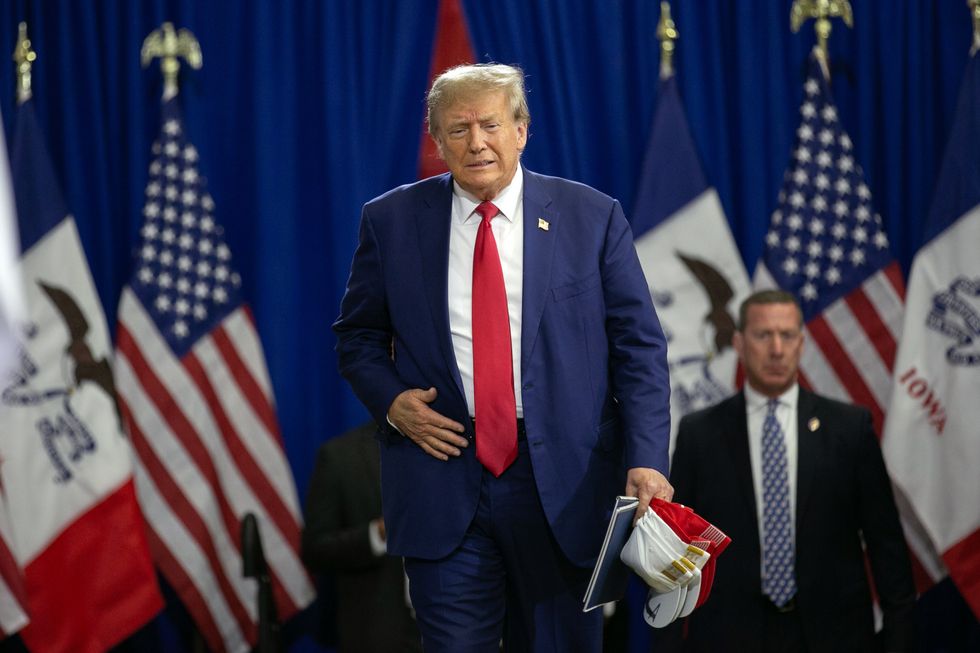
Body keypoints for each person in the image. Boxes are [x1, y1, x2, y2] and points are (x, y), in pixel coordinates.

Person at [332, 63, 672, 652]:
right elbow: (357, 336)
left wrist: (647, 458)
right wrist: (391, 402)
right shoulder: (389, 221)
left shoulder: (590, 218)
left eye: (490, 124)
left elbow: (638, 347)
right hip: (441, 477)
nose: (477, 142)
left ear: (522, 130)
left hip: (563, 485)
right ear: (437, 142)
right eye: (457, 129)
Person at [659, 289, 916, 652]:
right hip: (729, 636)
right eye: (764, 335)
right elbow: (675, 553)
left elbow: (887, 549)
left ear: (801, 343)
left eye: (787, 335)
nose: (777, 349)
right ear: (739, 342)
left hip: (834, 635)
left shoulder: (849, 429)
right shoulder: (699, 434)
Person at [300, 421, 422, 653]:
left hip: (463, 629)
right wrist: (378, 533)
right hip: (381, 633)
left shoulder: (468, 447)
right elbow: (315, 549)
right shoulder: (341, 455)